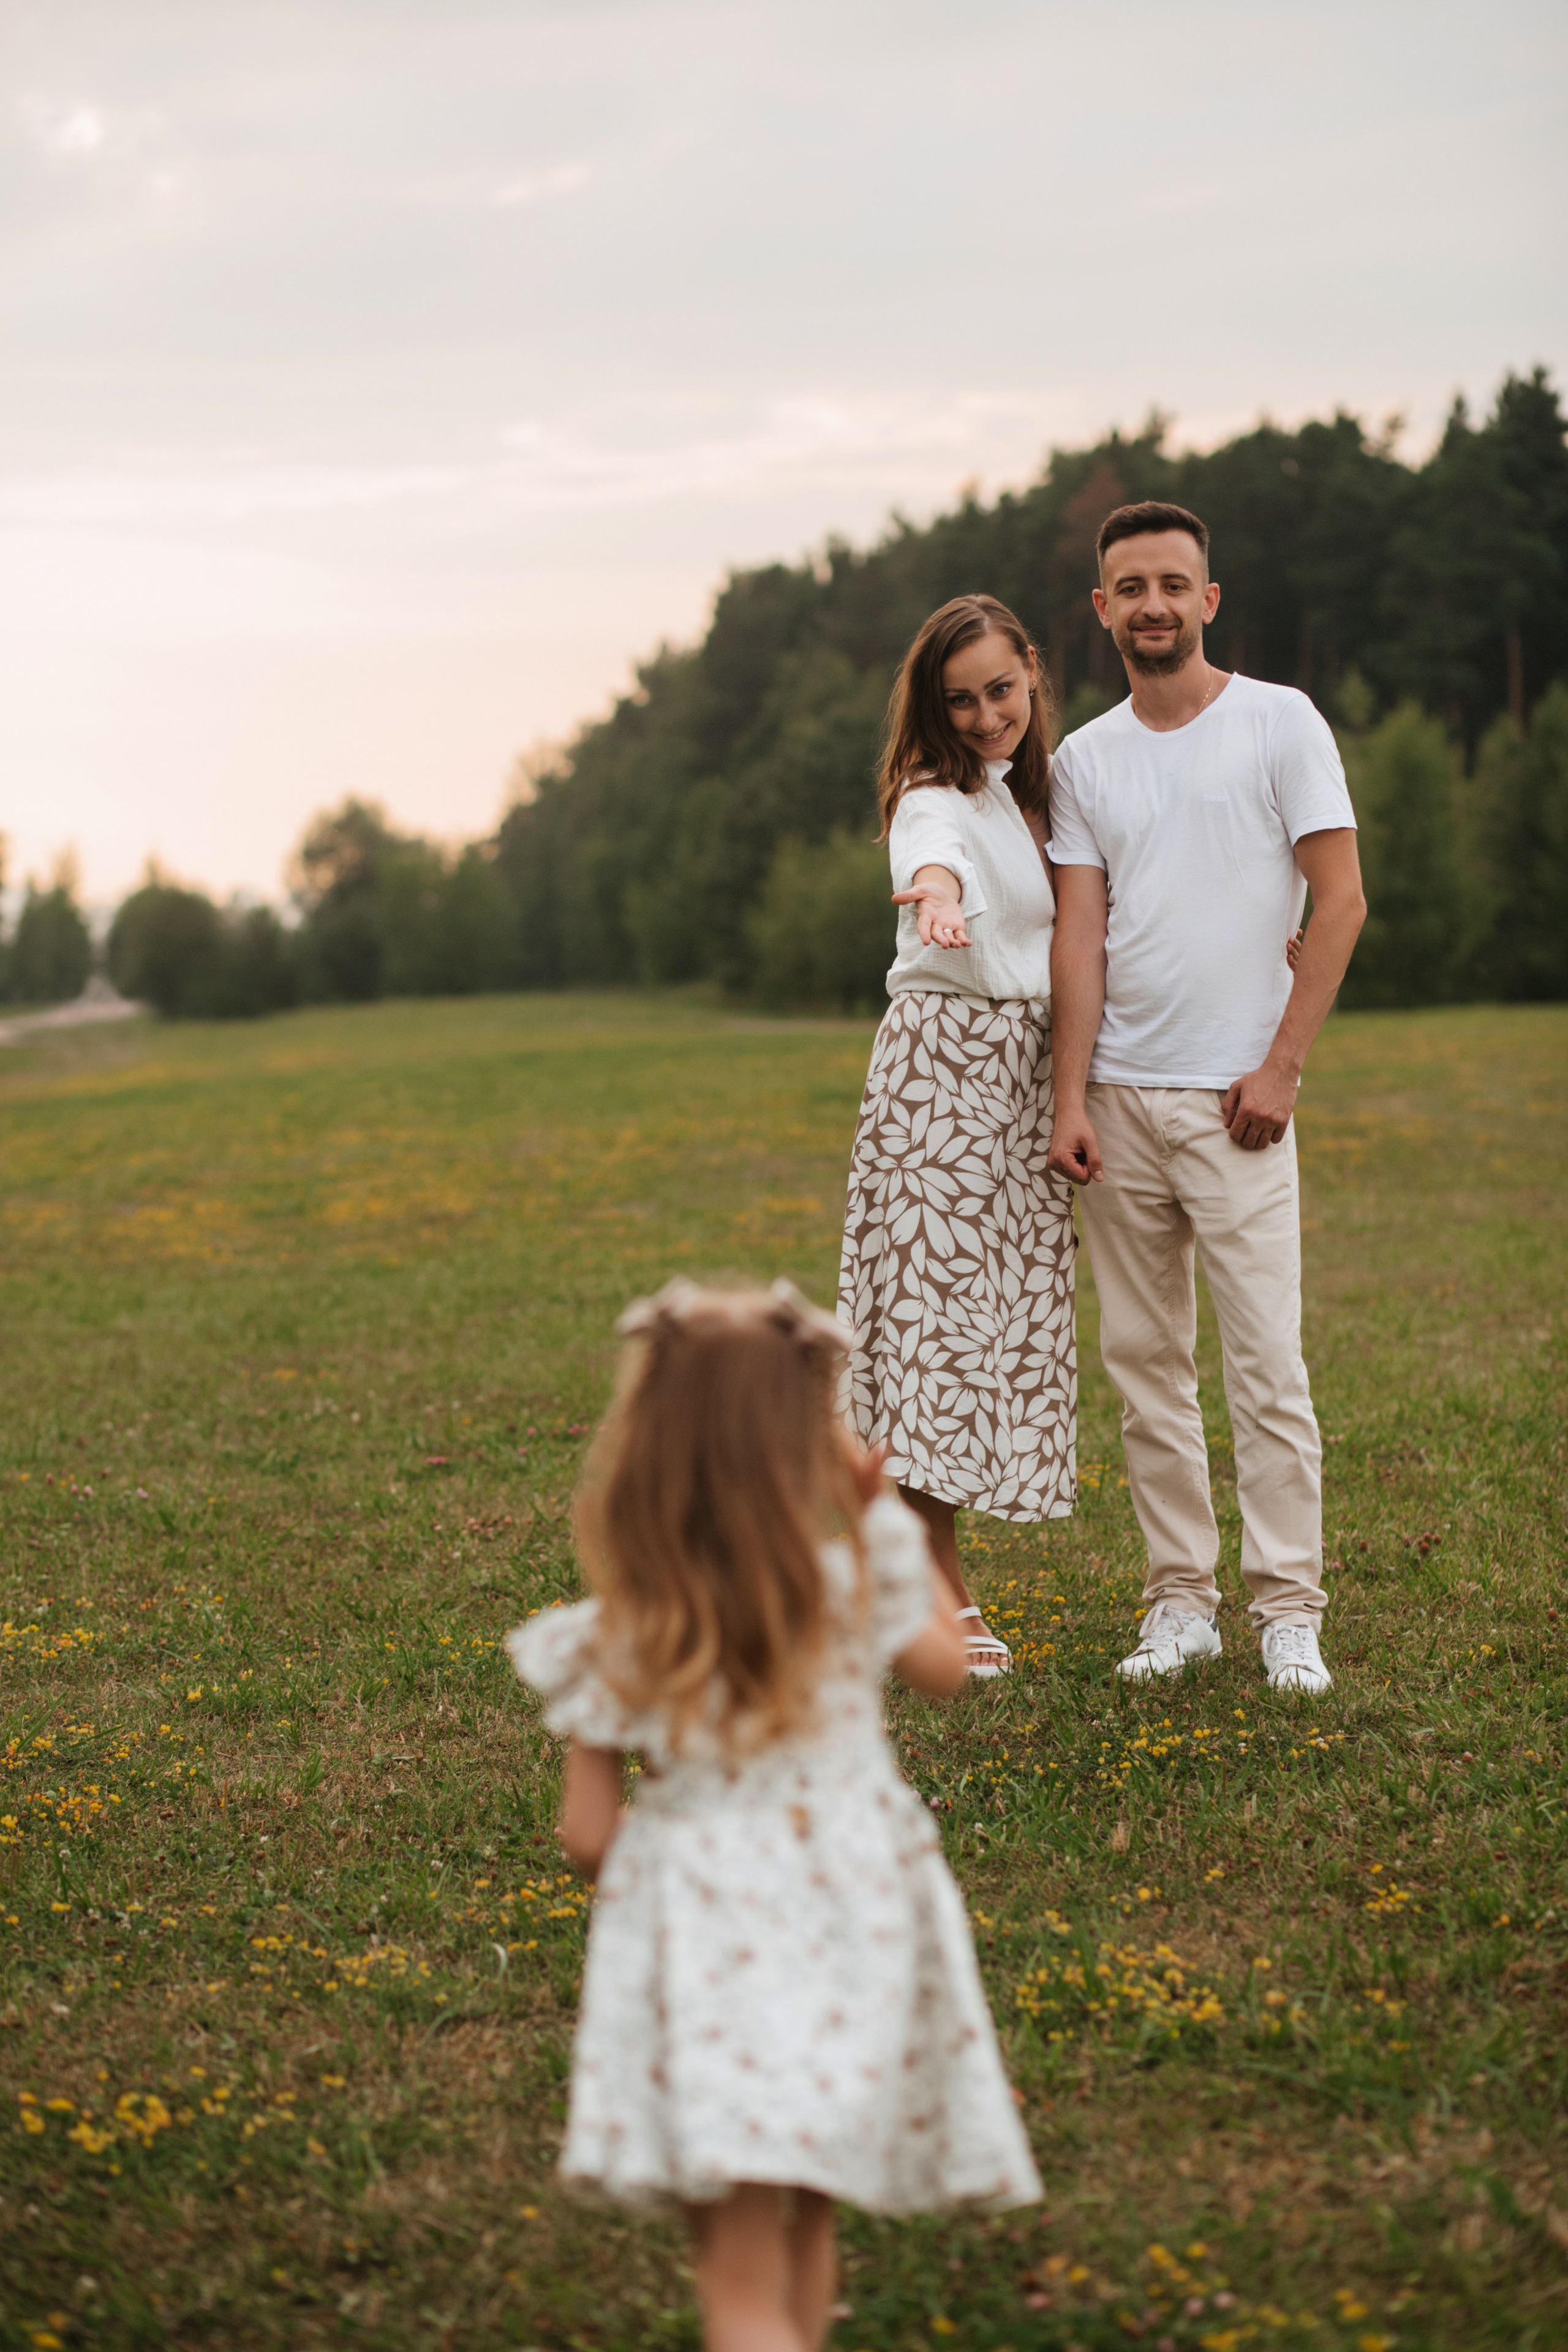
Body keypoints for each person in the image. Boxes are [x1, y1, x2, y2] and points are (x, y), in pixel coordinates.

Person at [506, 1280, 1041, 2352]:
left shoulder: (621, 1635)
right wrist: (879, 1512)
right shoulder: (852, 1590)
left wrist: (654, 1865)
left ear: (648, 1447)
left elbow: (587, 1837)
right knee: (809, 2226)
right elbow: (946, 1669)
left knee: (735, 2286)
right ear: (805, 1441)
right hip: (853, 1914)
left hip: (709, 1943)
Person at [1047, 501, 1366, 1696]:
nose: (1152, 606)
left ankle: (1287, 1610)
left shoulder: (1278, 724)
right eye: (1129, 588)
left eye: (1172, 584)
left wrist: (1279, 1068)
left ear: (1208, 599)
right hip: (1118, 1107)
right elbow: (1078, 938)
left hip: (1240, 1105)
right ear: (1100, 610)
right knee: (1143, 1369)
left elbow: (1336, 902)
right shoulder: (1083, 757)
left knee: (1266, 1369)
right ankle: (1178, 1604)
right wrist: (1067, 1097)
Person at [838, 594, 1077, 1678]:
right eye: (961, 701)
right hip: (944, 1073)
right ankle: (930, 1586)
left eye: (1000, 690)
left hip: (1016, 1082)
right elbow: (935, 857)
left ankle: (890, 1569)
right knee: (930, 1335)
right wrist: (932, 897)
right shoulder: (936, 796)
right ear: (932, 711)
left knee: (982, 1334)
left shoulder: (1028, 797)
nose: (985, 717)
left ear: (1032, 671)